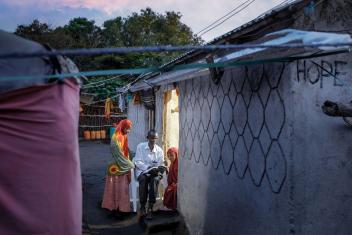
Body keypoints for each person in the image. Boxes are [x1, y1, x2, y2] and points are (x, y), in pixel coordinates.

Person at [102, 119, 134, 217]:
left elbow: (126, 151)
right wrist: (131, 164)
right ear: (123, 127)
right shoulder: (115, 138)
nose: (129, 131)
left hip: (122, 166)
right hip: (116, 168)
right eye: (127, 128)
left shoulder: (124, 136)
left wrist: (132, 158)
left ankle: (122, 208)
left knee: (122, 189)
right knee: (116, 188)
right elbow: (119, 155)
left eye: (130, 129)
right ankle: (114, 208)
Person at [133, 130, 165, 219]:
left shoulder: (159, 150)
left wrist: (160, 168)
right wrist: (147, 168)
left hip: (154, 173)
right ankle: (143, 206)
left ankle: (150, 206)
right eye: (151, 138)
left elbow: (160, 164)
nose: (153, 140)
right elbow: (137, 161)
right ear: (147, 138)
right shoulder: (140, 146)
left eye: (155, 138)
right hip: (142, 171)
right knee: (143, 180)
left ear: (157, 139)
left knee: (154, 180)